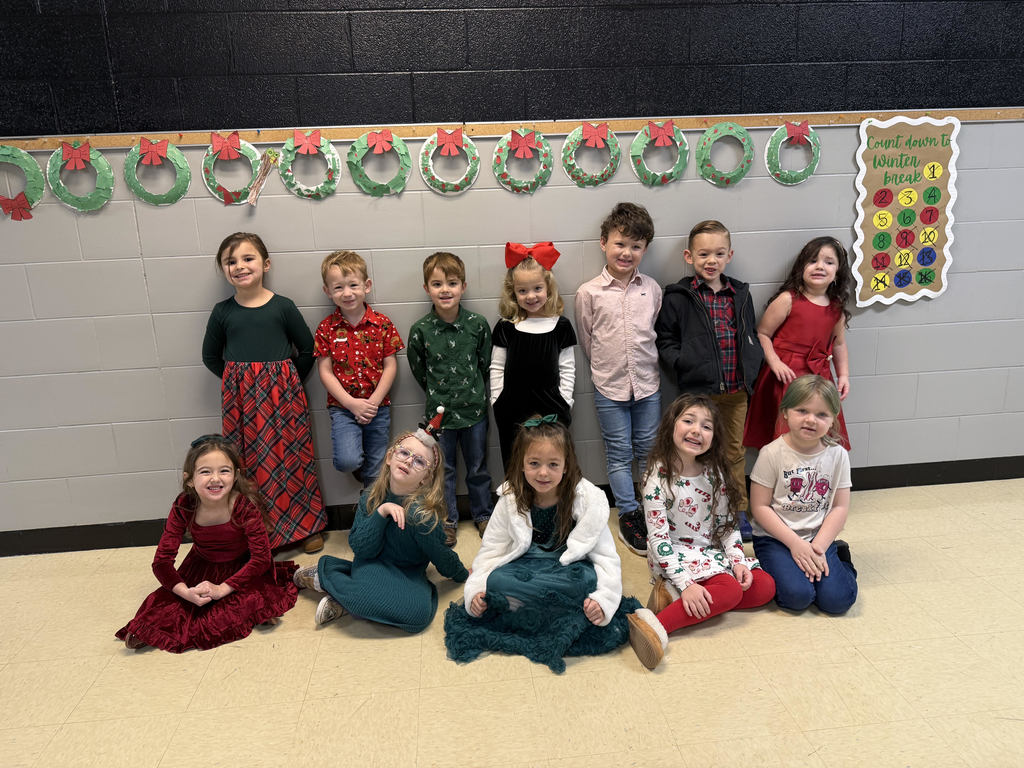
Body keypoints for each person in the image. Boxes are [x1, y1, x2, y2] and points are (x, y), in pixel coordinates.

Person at [444, 417, 640, 673]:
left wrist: (603, 600)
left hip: (567, 568)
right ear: (522, 465)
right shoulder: (510, 498)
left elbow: (606, 558)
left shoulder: (588, 499)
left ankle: (530, 608)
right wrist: (476, 590)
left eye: (553, 464)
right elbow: (491, 551)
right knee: (497, 583)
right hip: (523, 566)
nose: (543, 473)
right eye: (534, 464)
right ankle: (555, 610)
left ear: (567, 466)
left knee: (586, 582)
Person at [626, 395, 776, 669]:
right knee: (729, 591)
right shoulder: (656, 476)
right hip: (673, 556)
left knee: (765, 586)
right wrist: (687, 584)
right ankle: (655, 624)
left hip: (708, 552)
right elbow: (659, 540)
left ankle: (674, 598)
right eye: (688, 421)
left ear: (714, 437)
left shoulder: (714, 472)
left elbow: (726, 526)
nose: (697, 430)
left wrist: (738, 561)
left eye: (707, 426)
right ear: (671, 425)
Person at [201, 232, 326, 553]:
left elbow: (309, 349)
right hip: (242, 404)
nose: (239, 266)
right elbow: (211, 357)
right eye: (231, 261)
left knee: (294, 458)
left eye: (247, 258)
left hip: (285, 400)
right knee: (248, 462)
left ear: (265, 264)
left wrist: (285, 380)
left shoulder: (282, 306)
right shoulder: (223, 312)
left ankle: (306, 527)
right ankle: (259, 532)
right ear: (223, 269)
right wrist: (240, 381)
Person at [292, 409, 470, 633]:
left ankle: (334, 589)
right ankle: (328, 579)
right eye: (404, 453)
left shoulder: (422, 515)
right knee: (367, 591)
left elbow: (440, 555)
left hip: (407, 574)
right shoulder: (371, 497)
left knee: (417, 616)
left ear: (426, 477)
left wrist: (462, 574)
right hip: (371, 565)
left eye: (419, 462)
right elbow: (361, 549)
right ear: (389, 457)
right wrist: (381, 512)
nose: (408, 461)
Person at [116, 435, 298, 652]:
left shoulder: (244, 506)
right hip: (201, 565)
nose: (215, 478)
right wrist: (185, 592)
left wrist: (222, 589)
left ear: (235, 475)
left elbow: (260, 559)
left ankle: (256, 612)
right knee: (168, 601)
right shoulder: (184, 505)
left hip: (243, 568)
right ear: (190, 479)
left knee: (233, 607)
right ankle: (153, 630)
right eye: (205, 472)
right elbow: (162, 562)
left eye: (224, 470)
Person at [655, 220, 763, 540]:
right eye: (703, 254)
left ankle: (735, 510)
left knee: (733, 452)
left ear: (729, 255)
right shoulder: (678, 296)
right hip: (698, 393)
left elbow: (750, 334)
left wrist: (752, 368)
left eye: (718, 253)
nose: (711, 260)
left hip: (735, 391)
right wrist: (683, 364)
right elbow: (665, 339)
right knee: (694, 452)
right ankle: (696, 510)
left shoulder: (740, 293)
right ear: (689, 256)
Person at [575, 202, 663, 557]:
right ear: (603, 244)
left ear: (645, 249)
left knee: (648, 450)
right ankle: (628, 512)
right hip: (609, 387)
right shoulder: (588, 293)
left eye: (636, 246)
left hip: (648, 385)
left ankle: (651, 507)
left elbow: (654, 330)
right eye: (619, 244)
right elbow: (587, 339)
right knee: (619, 452)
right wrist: (604, 372)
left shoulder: (652, 289)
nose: (627, 253)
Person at [748, 375, 857, 614]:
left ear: (832, 420)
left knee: (837, 602)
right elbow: (760, 508)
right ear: (785, 412)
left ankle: (841, 558)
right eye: (802, 410)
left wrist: (817, 546)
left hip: (818, 537)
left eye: (822, 415)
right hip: (776, 539)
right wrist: (796, 545)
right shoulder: (771, 453)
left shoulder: (838, 455)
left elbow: (840, 507)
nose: (811, 420)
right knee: (798, 597)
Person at [408, 251, 493, 548]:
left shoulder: (478, 324)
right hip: (439, 417)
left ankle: (483, 514)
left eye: (452, 283)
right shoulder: (420, 330)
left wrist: (471, 392)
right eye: (437, 283)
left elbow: (485, 364)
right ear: (426, 289)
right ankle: (447, 520)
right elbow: (418, 370)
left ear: (463, 287)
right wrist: (438, 393)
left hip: (474, 412)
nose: (445, 290)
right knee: (443, 471)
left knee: (478, 467)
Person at [743, 236, 853, 450]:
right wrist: (775, 362)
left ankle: (810, 478)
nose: (819, 266)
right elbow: (763, 334)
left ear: (838, 272)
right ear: (801, 267)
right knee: (784, 432)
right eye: (812, 261)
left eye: (828, 262)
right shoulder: (788, 299)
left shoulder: (836, 308)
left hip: (818, 376)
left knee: (815, 430)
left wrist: (844, 375)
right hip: (784, 376)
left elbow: (838, 344)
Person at [314, 250, 404, 489]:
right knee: (347, 461)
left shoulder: (382, 324)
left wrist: (373, 402)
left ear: (367, 286)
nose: (347, 293)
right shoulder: (326, 328)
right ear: (327, 291)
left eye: (353, 285)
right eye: (338, 287)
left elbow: (390, 365)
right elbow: (325, 371)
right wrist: (351, 403)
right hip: (343, 409)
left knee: (376, 470)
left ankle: (371, 514)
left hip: (378, 408)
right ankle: (359, 468)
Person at [490, 242, 576, 468]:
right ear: (513, 293)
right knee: (516, 463)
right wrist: (497, 399)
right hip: (511, 409)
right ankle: (517, 503)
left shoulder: (561, 326)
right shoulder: (506, 327)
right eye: (522, 291)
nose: (531, 296)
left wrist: (565, 400)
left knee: (550, 462)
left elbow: (568, 368)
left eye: (537, 288)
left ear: (548, 288)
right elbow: (497, 367)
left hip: (552, 408)